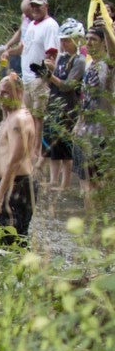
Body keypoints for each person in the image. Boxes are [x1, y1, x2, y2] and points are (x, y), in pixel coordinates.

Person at [0, 73, 36, 246]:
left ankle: (20, 272)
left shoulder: (19, 120)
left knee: (6, 244)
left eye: (6, 93)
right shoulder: (12, 115)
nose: (0, 97)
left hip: (17, 187)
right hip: (14, 185)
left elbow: (15, 160)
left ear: (20, 92)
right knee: (12, 242)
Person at [41, 19, 86, 192]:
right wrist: (46, 72)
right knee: (53, 145)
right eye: (62, 40)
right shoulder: (62, 58)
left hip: (69, 108)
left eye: (66, 40)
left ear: (76, 40)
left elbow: (68, 85)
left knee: (65, 146)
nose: (63, 43)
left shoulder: (79, 61)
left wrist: (50, 75)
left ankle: (65, 183)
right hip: (54, 104)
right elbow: (53, 83)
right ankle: (54, 180)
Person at [72, 28, 112, 213]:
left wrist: (107, 27)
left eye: (93, 39)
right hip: (84, 132)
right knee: (86, 185)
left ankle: (98, 228)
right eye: (86, 39)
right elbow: (84, 98)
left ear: (104, 42)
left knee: (100, 185)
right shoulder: (89, 66)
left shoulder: (108, 66)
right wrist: (78, 123)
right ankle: (92, 226)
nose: (88, 42)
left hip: (102, 135)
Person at [17, 0, 59, 165]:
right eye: (33, 6)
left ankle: (36, 152)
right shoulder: (32, 25)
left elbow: (52, 55)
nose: (35, 8)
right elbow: (24, 48)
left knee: (37, 116)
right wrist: (6, 50)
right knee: (27, 115)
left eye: (38, 6)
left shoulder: (50, 25)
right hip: (26, 77)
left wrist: (45, 70)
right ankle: (26, 149)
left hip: (38, 77)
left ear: (46, 7)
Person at [0, 0, 32, 76]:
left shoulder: (35, 24)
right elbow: (20, 32)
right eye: (24, 13)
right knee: (5, 72)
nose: (26, 16)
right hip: (18, 53)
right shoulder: (24, 17)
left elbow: (23, 48)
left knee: (16, 79)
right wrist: (7, 45)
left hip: (26, 56)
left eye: (28, 13)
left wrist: (9, 52)